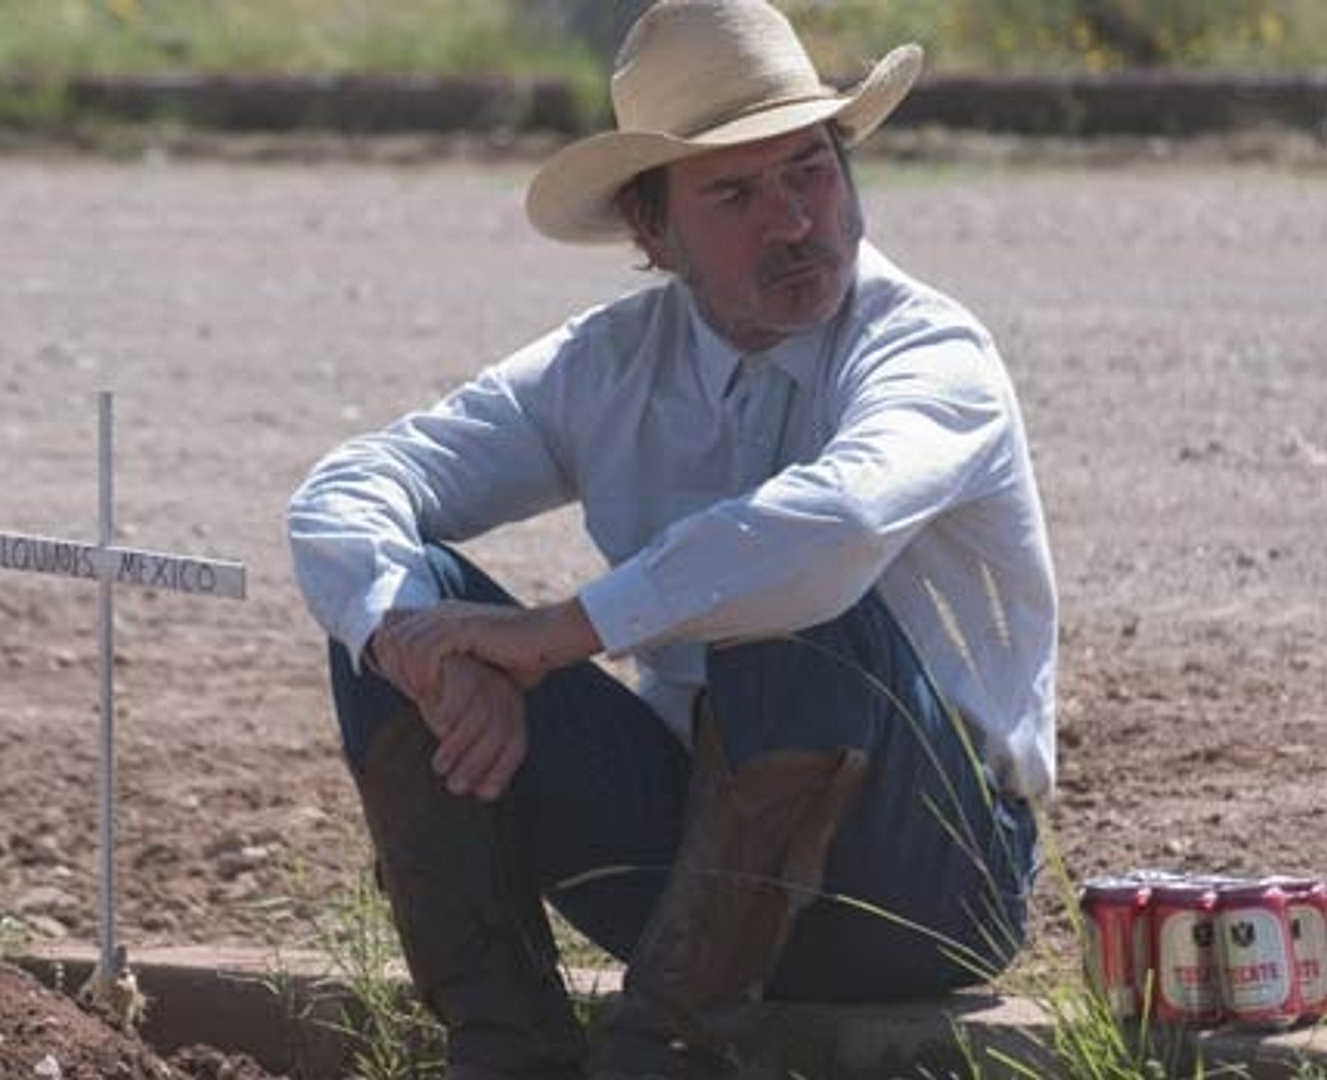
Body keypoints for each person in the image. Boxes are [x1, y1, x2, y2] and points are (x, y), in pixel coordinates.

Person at [288, 1, 1057, 1076]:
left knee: (799, 612)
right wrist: (413, 644)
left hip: (925, 885)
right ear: (653, 234)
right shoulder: (606, 366)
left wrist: (560, 632)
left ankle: (662, 1058)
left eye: (809, 171)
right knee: (394, 606)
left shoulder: (930, 351)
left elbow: (832, 523)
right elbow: (351, 486)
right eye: (735, 193)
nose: (793, 220)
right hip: (684, 879)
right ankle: (507, 1049)